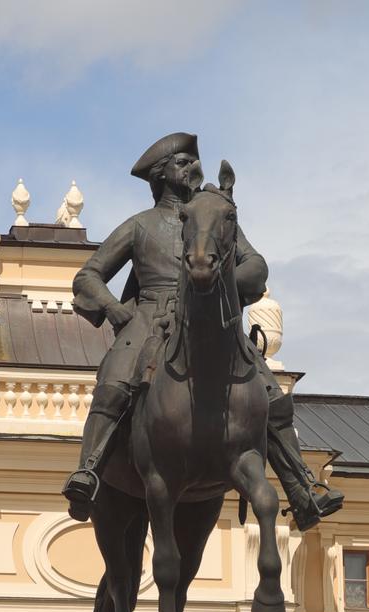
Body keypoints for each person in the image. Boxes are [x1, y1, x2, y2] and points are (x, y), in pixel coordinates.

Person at [61, 132, 343, 530]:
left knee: (271, 395)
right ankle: (88, 471)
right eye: (183, 162)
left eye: (194, 161)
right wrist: (113, 309)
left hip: (211, 315)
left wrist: (223, 278)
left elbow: (256, 266)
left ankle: (301, 487)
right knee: (114, 381)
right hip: (150, 319)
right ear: (161, 175)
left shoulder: (214, 213)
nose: (194, 167)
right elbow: (88, 275)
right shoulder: (141, 226)